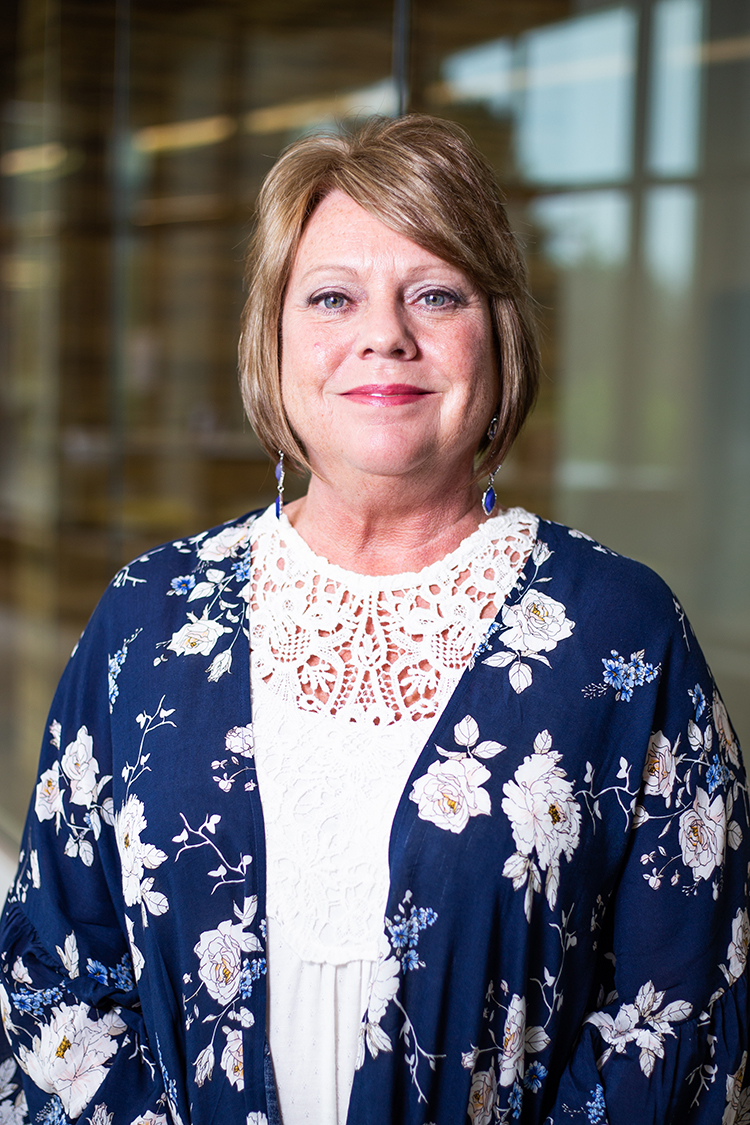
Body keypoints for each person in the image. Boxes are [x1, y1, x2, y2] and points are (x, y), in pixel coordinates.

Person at [0, 114, 747, 1125]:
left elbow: (685, 1014)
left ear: (499, 338)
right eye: (333, 297)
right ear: (275, 336)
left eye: (435, 294)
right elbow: (53, 968)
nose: (383, 335)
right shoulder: (145, 618)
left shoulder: (620, 634)